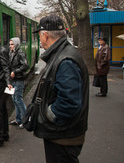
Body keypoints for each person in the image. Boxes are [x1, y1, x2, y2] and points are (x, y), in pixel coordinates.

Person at [32, 15, 89, 163]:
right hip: (64, 134)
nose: (40, 40)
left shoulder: (65, 60)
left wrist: (47, 115)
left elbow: (69, 102)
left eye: (39, 36)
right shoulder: (64, 53)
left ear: (45, 35)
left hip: (62, 136)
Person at [8, 37, 29, 129]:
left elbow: (25, 65)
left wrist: (15, 72)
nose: (10, 46)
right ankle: (18, 119)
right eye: (9, 44)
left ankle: (25, 120)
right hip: (13, 79)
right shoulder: (11, 53)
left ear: (16, 44)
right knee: (14, 99)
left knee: (18, 99)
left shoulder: (20, 53)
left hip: (19, 79)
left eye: (12, 44)